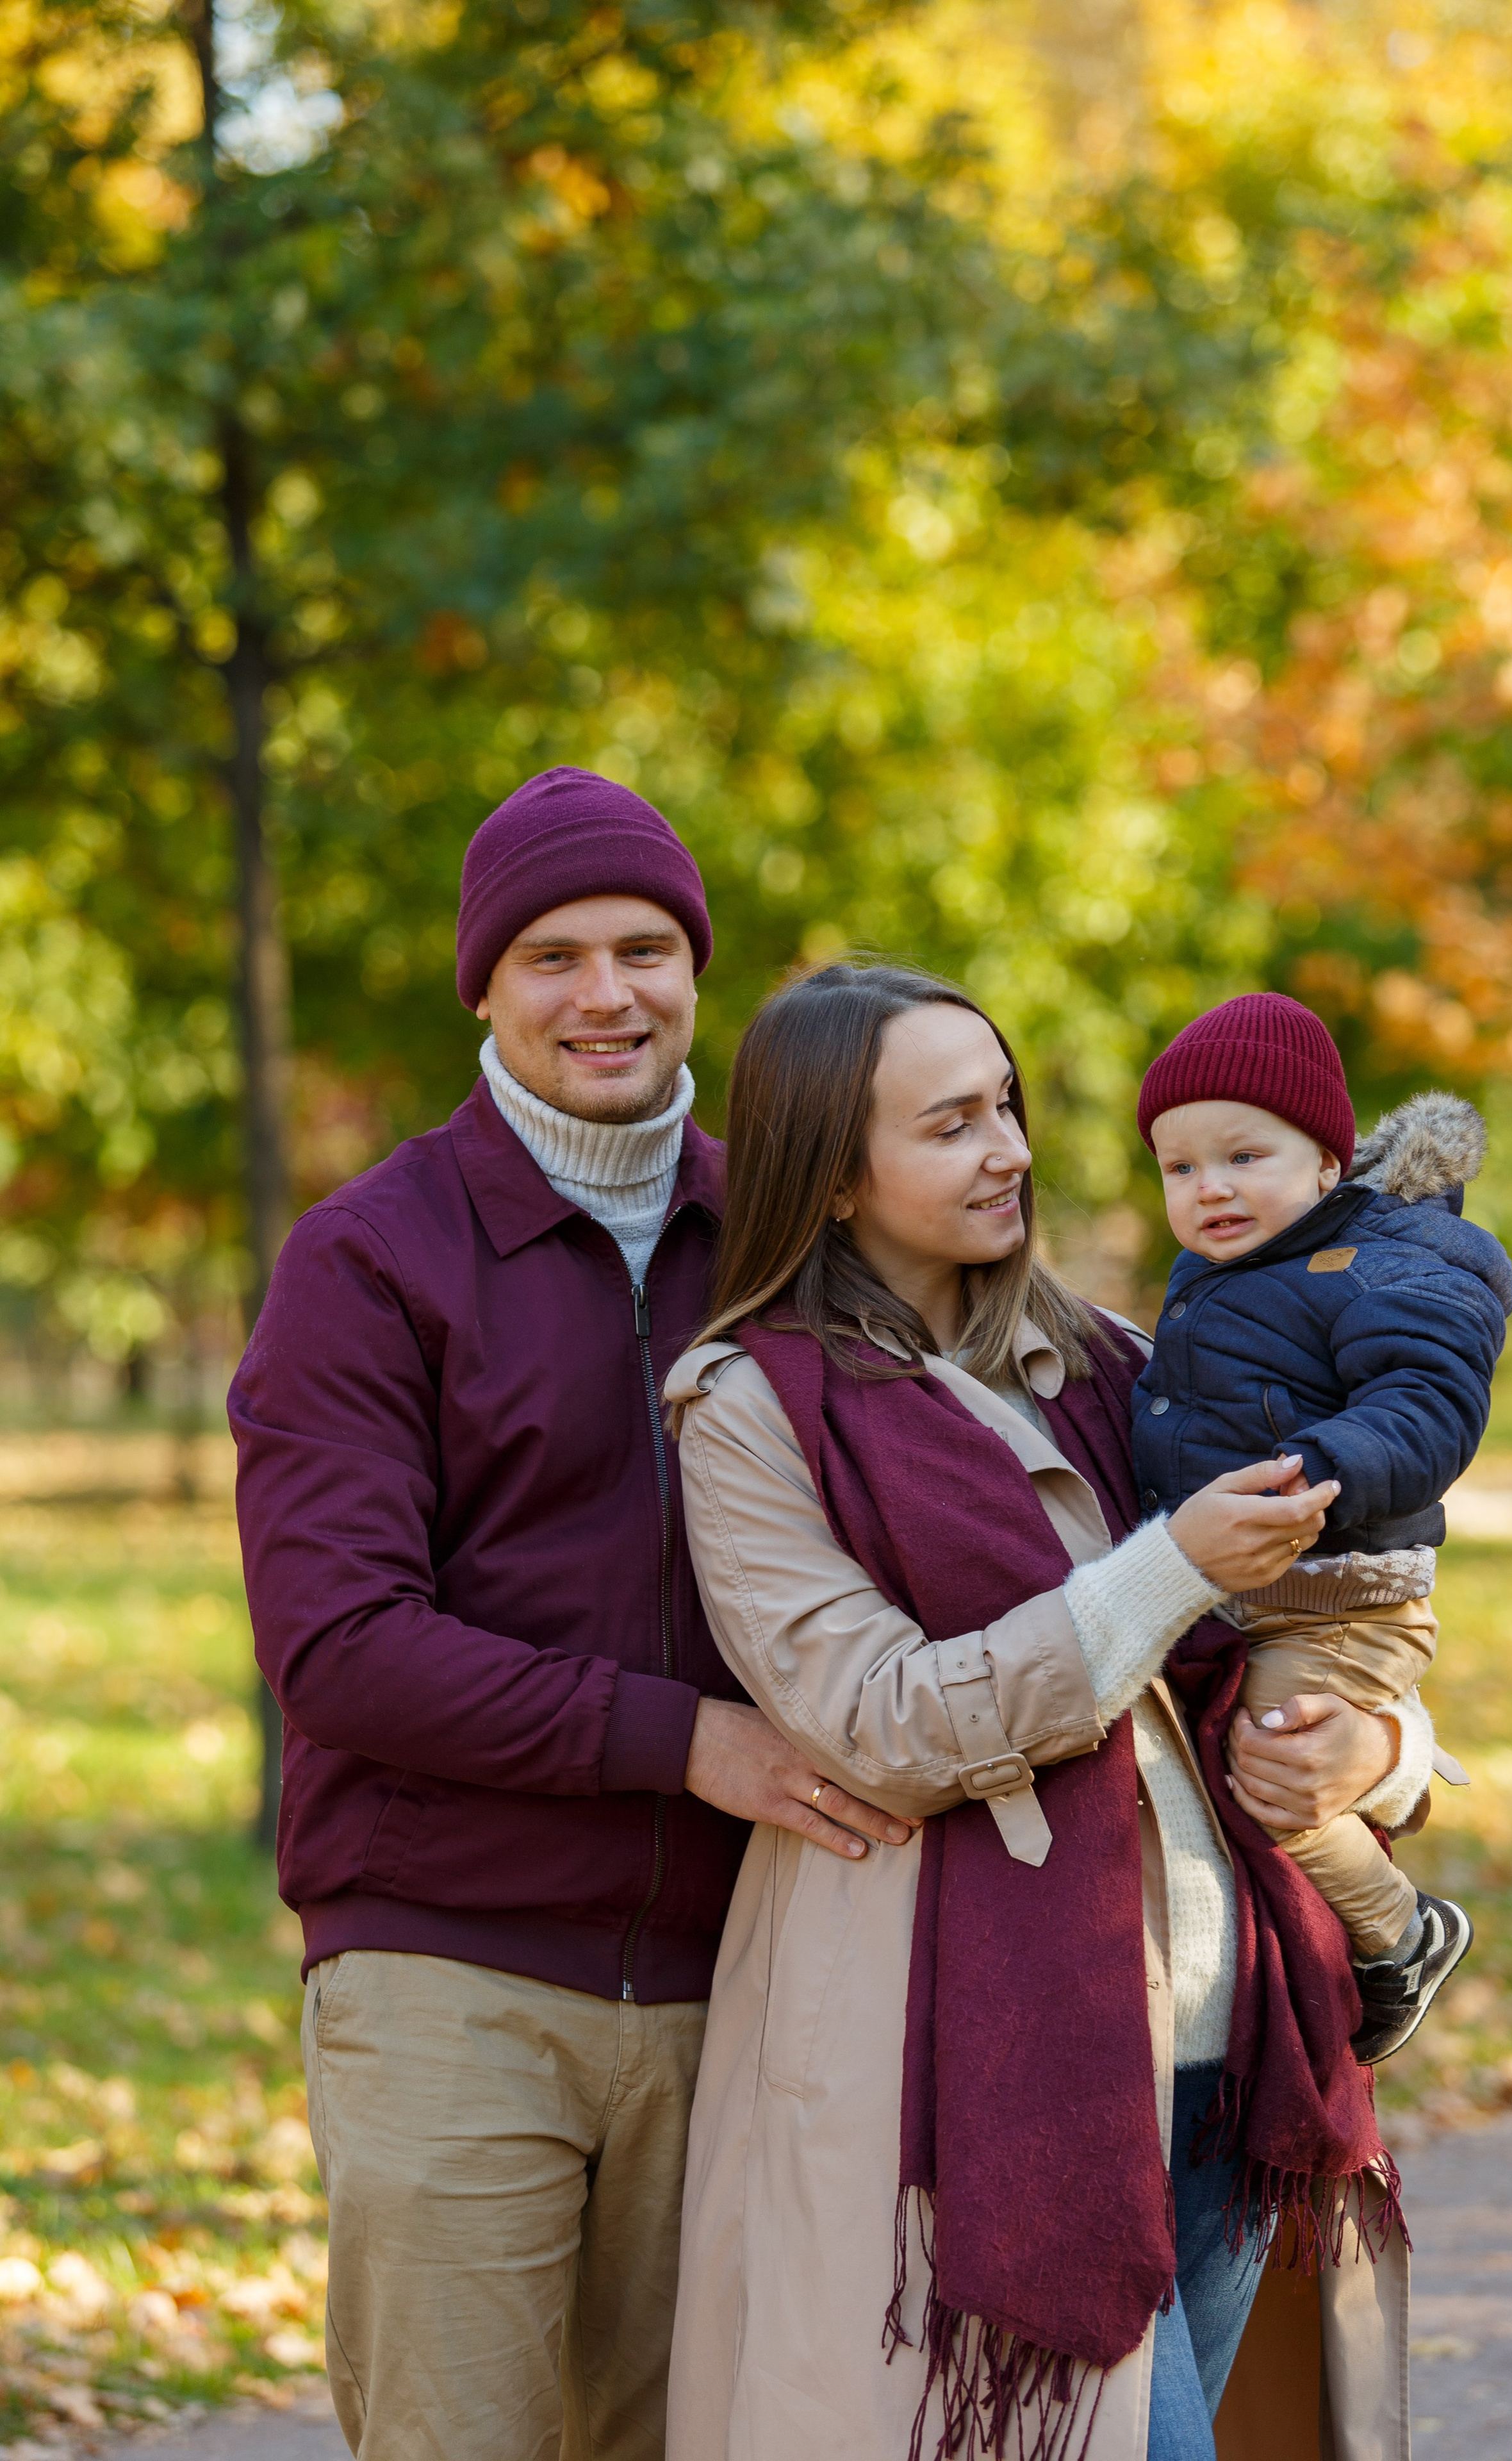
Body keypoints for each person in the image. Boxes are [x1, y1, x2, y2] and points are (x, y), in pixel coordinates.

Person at [662, 962, 1429, 2461]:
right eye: (950, 1124)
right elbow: (874, 1716)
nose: (1009, 1149)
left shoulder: (1122, 1362)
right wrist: (1158, 1571)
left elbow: (1330, 1610)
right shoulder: (750, 1409)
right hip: (981, 2076)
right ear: (831, 1178)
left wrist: (1379, 1750)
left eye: (1003, 1106)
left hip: (1230, 2041)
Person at [228, 770, 907, 2461]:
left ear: (696, 972)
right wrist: (685, 1745)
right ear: (485, 984)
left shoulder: (788, 1239)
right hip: (450, 1970)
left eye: (646, 949)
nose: (605, 995)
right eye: (552, 956)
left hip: (743, 1983)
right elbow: (340, 1647)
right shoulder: (373, 1260)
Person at [1133, 991, 1512, 2059]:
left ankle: (1404, 1931)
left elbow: (1428, 1401)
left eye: (1244, 1156)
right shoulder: (1217, 1280)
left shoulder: (1396, 1265)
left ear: (1328, 1167)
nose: (1210, 1188)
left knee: (1273, 1774)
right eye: (1180, 1168)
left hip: (1345, 1597)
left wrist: (1325, 1469)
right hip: (1262, 1591)